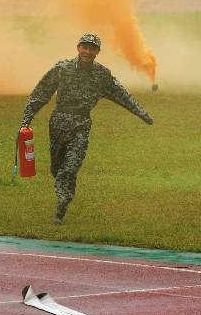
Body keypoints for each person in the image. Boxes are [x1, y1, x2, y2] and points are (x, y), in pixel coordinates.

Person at [20, 34, 153, 224]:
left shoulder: (102, 75)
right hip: (58, 123)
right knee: (57, 168)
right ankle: (62, 188)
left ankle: (62, 205)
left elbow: (122, 95)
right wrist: (27, 117)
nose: (87, 52)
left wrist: (144, 115)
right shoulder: (62, 69)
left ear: (98, 52)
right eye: (85, 47)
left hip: (81, 124)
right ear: (78, 48)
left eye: (92, 49)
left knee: (71, 166)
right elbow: (42, 92)